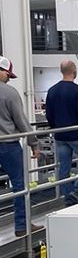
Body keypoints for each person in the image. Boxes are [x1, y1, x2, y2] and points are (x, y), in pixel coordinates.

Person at [0, 56, 42, 237]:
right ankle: (21, 226)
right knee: (20, 185)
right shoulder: (9, 93)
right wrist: (34, 143)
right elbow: (22, 121)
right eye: (7, 74)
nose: (8, 78)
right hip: (8, 145)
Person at [45, 59, 78, 206]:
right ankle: (77, 191)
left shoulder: (52, 91)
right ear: (74, 71)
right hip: (76, 135)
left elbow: (49, 114)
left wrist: (55, 128)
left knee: (64, 167)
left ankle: (69, 198)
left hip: (60, 135)